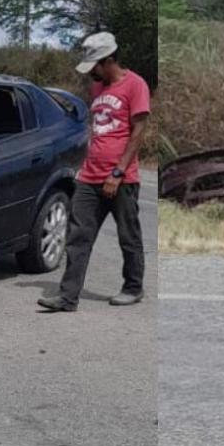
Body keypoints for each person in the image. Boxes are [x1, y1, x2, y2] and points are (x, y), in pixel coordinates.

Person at [39, 31, 150, 312]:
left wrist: (117, 172)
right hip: (89, 176)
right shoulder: (97, 88)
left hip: (120, 178)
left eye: (95, 67)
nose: (92, 74)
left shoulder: (135, 85)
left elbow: (138, 133)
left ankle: (133, 287)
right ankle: (67, 297)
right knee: (78, 237)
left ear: (109, 59)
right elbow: (97, 128)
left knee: (128, 235)